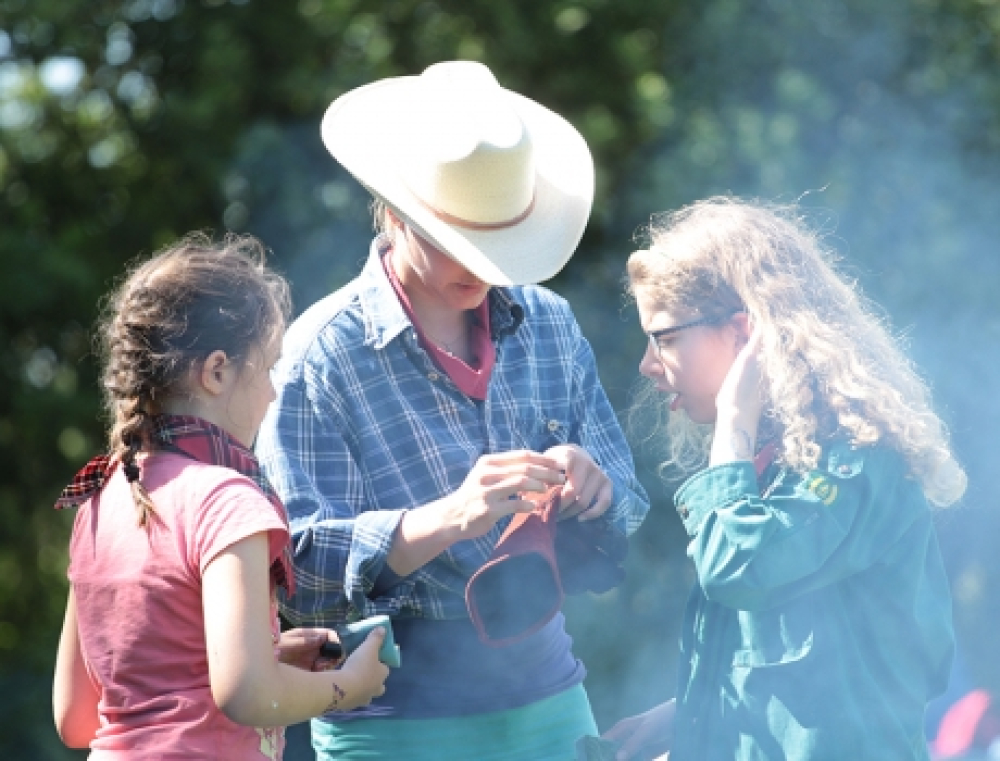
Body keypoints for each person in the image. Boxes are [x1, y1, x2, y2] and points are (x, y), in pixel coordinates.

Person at [255, 60, 649, 760]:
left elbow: (628, 507)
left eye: (500, 239)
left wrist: (593, 487)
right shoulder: (323, 352)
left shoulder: (552, 323)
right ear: (392, 208)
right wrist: (446, 518)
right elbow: (296, 574)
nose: (483, 264)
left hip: (551, 699)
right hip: (390, 723)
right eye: (455, 239)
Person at [603, 197, 966, 760]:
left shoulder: (852, 458)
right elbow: (800, 663)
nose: (649, 364)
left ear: (744, 334)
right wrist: (690, 713)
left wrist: (732, 425)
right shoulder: (778, 458)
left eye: (666, 338)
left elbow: (740, 567)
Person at [52, 234, 390, 760]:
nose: (274, 392)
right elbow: (247, 694)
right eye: (269, 367)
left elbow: (74, 719)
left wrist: (268, 655)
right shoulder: (229, 502)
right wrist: (347, 685)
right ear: (216, 372)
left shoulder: (99, 497)